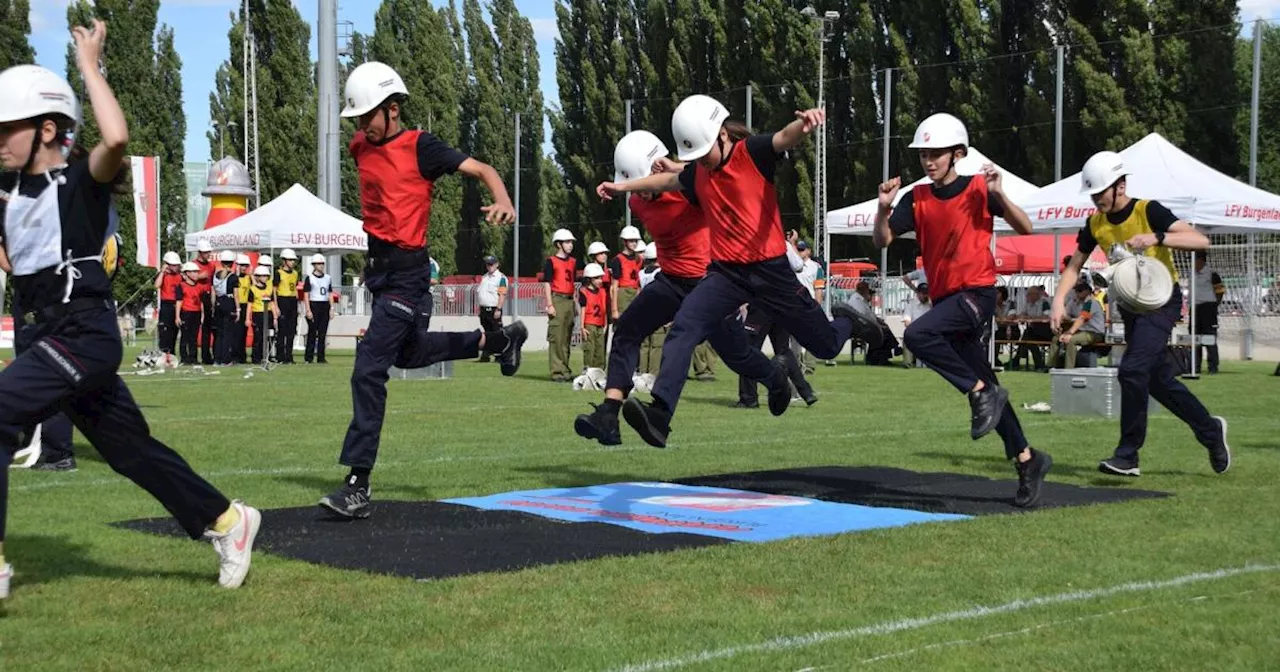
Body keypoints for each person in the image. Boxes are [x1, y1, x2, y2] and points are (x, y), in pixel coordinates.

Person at [0, 27, 259, 600]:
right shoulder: (10, 190)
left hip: (82, 335)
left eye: (7, 127)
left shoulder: (77, 182)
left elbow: (115, 138)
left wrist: (88, 65)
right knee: (129, 451)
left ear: (47, 129)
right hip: (42, 334)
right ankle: (228, 521)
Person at [595, 97, 882, 447]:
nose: (701, 163)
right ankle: (660, 415)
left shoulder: (752, 154)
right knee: (684, 326)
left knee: (824, 345)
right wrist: (620, 186)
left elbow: (781, 139)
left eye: (704, 153)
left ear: (721, 136)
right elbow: (665, 183)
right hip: (727, 274)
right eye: (694, 157)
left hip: (771, 272)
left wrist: (804, 125)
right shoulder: (698, 171)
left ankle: (851, 318)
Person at [322, 61, 526, 519]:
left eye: (366, 116)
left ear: (392, 110)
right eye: (354, 119)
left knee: (368, 366)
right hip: (378, 274)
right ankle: (500, 340)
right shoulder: (359, 145)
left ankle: (357, 482)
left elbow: (482, 168)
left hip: (409, 275)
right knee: (409, 355)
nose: (360, 126)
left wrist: (503, 198)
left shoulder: (422, 147)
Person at [874, 112, 1051, 508]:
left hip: (976, 294)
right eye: (924, 154)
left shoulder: (978, 189)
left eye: (936, 153)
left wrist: (1000, 194)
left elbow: (1025, 229)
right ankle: (1027, 458)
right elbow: (883, 239)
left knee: (918, 335)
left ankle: (978, 392)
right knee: (992, 391)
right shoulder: (914, 199)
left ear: (957, 154)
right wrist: (884, 207)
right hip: (946, 301)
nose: (929, 160)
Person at [575, 130, 794, 446]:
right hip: (673, 281)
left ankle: (776, 378)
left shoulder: (689, 189)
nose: (643, 195)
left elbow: (725, 179)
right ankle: (609, 416)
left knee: (736, 355)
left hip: (710, 285)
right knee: (627, 329)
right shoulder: (637, 199)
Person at [1058, 151, 1229, 477]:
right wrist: (1057, 302)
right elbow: (1075, 266)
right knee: (1156, 380)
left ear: (1120, 185)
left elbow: (1199, 239)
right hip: (1131, 307)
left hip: (1163, 301)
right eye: (1092, 193)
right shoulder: (1095, 223)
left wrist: (1157, 236)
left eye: (1100, 191)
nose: (1096, 199)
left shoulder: (1148, 210)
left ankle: (1128, 455)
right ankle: (1210, 430)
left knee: (1131, 371)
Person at [544, 228, 577, 382]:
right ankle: (557, 372)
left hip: (570, 300)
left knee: (566, 337)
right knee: (556, 337)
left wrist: (575, 302)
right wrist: (550, 304)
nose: (570, 245)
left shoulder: (573, 262)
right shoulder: (551, 261)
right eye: (567, 242)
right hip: (557, 299)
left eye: (571, 242)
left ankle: (565, 369)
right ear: (558, 244)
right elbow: (547, 284)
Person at [1048, 281, 1105, 368]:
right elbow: (1065, 315)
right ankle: (1051, 366)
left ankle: (1068, 368)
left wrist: (1069, 333)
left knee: (1071, 340)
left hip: (1094, 333)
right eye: (1076, 290)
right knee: (1056, 338)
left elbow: (1083, 318)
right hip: (1080, 331)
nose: (1077, 293)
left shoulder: (1091, 302)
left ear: (1088, 291)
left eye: (1080, 290)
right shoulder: (1074, 302)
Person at [1191, 251, 1224, 374]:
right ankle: (1195, 366)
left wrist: (1215, 305)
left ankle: (1213, 367)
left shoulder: (1212, 273)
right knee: (1195, 338)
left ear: (1201, 260)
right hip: (1194, 308)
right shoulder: (1191, 273)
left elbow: (1220, 290)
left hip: (1208, 307)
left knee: (1210, 338)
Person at [1011, 285, 1052, 371]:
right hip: (1033, 331)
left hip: (1045, 331)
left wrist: (1031, 318)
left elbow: (1046, 317)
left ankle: (1016, 361)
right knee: (1028, 338)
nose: (1027, 296)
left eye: (1029, 294)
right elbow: (1022, 314)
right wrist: (1022, 317)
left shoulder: (1045, 303)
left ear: (1036, 295)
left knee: (1027, 337)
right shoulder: (1028, 304)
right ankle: (1038, 365)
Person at [476, 254, 508, 363]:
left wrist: (498, 309)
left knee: (496, 332)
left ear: (497, 264)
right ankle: (486, 353)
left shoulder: (501, 278)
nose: (489, 266)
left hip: (494, 309)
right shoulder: (484, 277)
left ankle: (499, 355)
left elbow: (502, 294)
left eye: (491, 264)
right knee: (487, 332)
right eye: (487, 264)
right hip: (484, 309)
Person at [578, 262, 609, 370]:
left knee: (600, 350)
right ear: (590, 279)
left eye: (600, 278)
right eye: (597, 278)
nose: (600, 281)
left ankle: (599, 372)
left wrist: (605, 324)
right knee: (589, 350)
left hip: (600, 324)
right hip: (589, 324)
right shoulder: (584, 292)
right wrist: (582, 327)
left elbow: (604, 309)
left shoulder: (602, 292)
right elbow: (583, 310)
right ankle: (588, 372)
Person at [272, 249, 300, 364]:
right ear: (284, 261)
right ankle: (280, 356)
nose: (292, 262)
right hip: (282, 300)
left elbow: (295, 289)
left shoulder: (295, 273)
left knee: (291, 330)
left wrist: (297, 304)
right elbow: (274, 290)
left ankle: (289, 355)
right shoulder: (279, 273)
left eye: (293, 260)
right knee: (282, 330)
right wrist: (276, 306)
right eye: (290, 260)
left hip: (292, 301)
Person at [212, 250, 240, 366]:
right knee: (228, 333)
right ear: (232, 263)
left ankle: (217, 359)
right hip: (229, 303)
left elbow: (213, 292)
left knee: (219, 334)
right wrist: (238, 309)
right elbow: (236, 294)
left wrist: (213, 306)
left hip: (218, 303)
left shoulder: (215, 275)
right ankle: (226, 359)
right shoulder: (233, 277)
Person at [303, 254, 332, 364]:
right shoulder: (309, 278)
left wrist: (332, 308)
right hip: (314, 304)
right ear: (314, 265)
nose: (321, 266)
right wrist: (308, 310)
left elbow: (330, 294)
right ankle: (309, 357)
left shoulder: (328, 278)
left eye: (322, 263)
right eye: (318, 264)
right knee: (312, 332)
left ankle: (321, 357)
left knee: (322, 333)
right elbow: (306, 295)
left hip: (324, 305)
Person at [610, 225, 644, 320]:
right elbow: (615, 286)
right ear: (625, 242)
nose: (634, 243)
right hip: (623, 294)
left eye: (636, 241)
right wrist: (614, 309)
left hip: (635, 293)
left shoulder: (639, 259)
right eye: (631, 241)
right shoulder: (618, 259)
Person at [174, 261, 204, 365]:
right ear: (187, 273)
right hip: (186, 313)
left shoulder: (199, 287)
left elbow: (201, 302)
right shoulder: (181, 286)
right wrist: (177, 316)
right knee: (185, 337)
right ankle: (184, 358)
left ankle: (193, 358)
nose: (196, 274)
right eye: (194, 272)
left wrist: (202, 315)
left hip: (197, 313)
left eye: (197, 272)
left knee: (194, 338)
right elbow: (179, 301)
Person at [192, 240, 217, 364]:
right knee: (198, 329)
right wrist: (198, 276)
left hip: (208, 297)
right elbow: (186, 279)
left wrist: (213, 300)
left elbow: (212, 284)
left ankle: (207, 356)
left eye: (209, 252)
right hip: (196, 297)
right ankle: (194, 356)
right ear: (200, 253)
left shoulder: (212, 266)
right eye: (206, 252)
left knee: (209, 328)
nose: (208, 254)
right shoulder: (193, 265)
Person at [154, 251, 181, 354]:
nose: (175, 267)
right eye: (173, 265)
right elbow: (157, 285)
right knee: (165, 331)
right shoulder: (163, 275)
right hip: (166, 305)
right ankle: (164, 353)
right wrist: (162, 272)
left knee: (174, 331)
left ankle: (172, 354)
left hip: (177, 305)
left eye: (176, 265)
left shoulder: (180, 276)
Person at [246, 265, 274, 364]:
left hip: (268, 313)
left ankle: (266, 357)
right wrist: (247, 318)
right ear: (257, 277)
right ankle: (256, 358)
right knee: (258, 337)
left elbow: (272, 303)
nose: (265, 278)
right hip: (257, 314)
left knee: (268, 337)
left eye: (266, 276)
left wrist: (274, 317)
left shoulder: (269, 289)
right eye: (263, 276)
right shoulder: (253, 289)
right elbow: (250, 304)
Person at [901, 283, 931, 367]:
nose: (925, 296)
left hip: (929, 332)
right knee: (907, 336)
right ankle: (908, 363)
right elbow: (907, 321)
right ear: (918, 293)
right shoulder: (911, 305)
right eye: (923, 293)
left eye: (926, 293)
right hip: (915, 331)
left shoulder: (931, 305)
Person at [233, 253, 252, 363]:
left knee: (243, 332)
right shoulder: (234, 278)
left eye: (246, 266)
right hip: (236, 305)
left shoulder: (248, 278)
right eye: (242, 265)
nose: (244, 268)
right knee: (236, 332)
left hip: (245, 306)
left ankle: (241, 356)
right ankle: (234, 355)